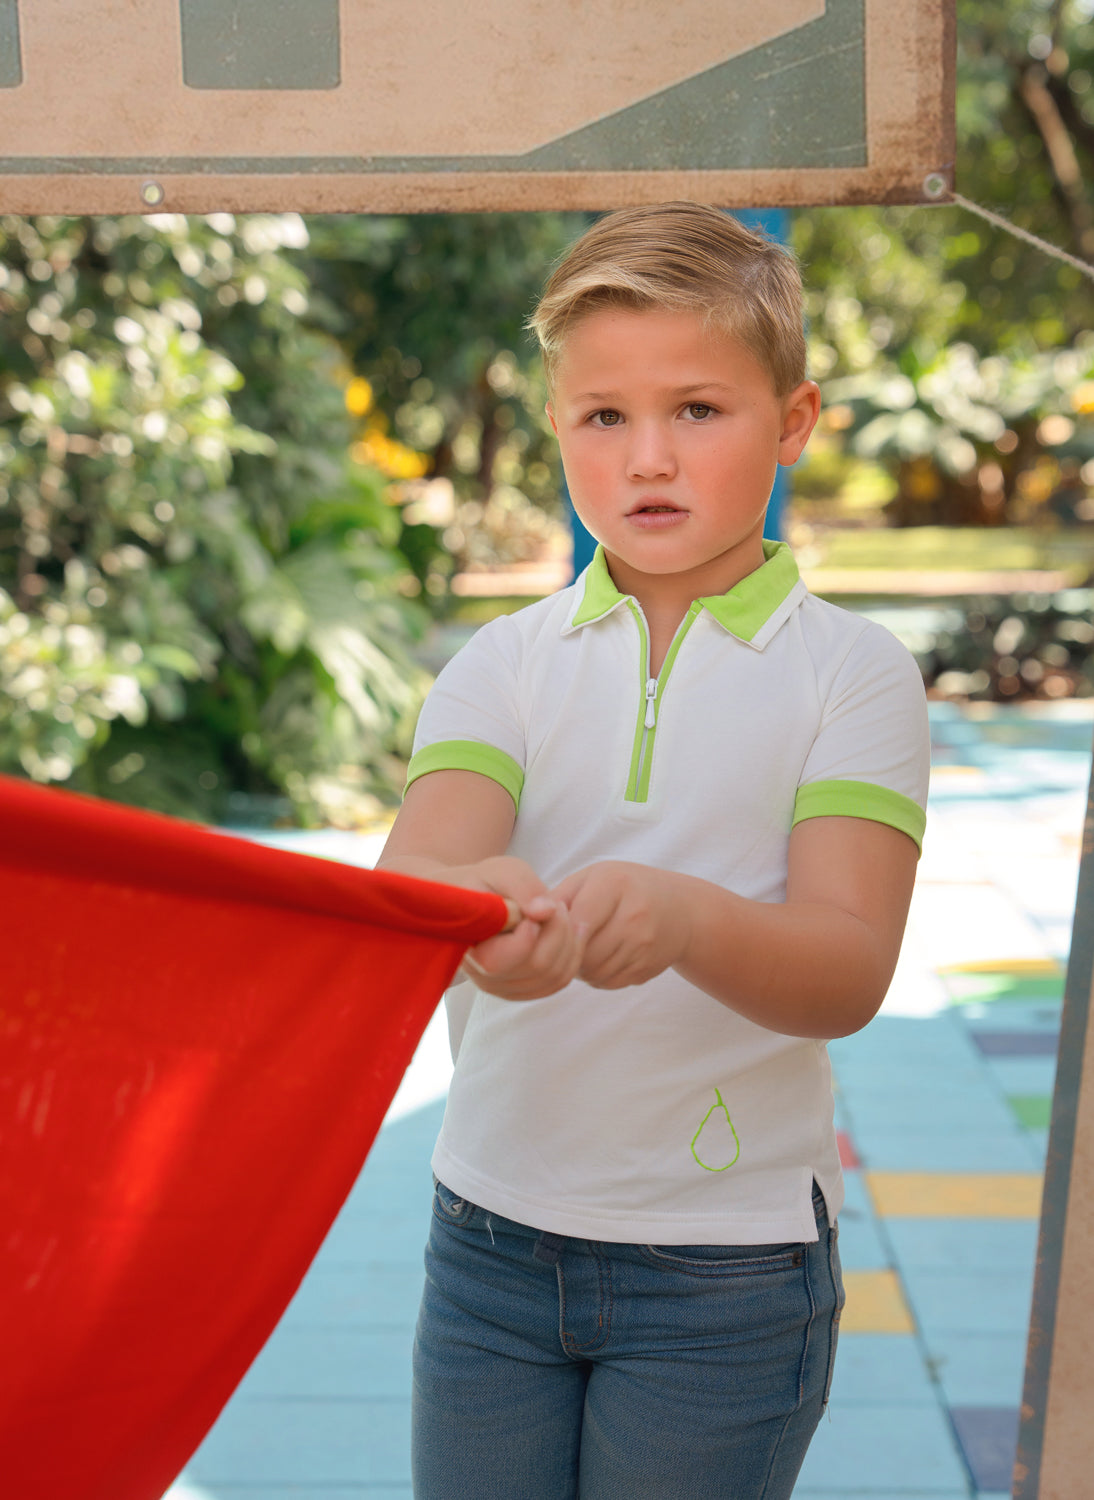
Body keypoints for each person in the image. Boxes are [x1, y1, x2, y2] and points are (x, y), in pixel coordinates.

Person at [376, 202, 930, 1500]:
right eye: (603, 416)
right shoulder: (496, 669)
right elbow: (407, 896)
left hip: (726, 1270)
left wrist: (681, 922)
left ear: (792, 422)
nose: (647, 460)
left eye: (696, 408)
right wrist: (482, 921)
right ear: (557, 427)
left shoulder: (852, 676)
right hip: (488, 1242)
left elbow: (845, 971)